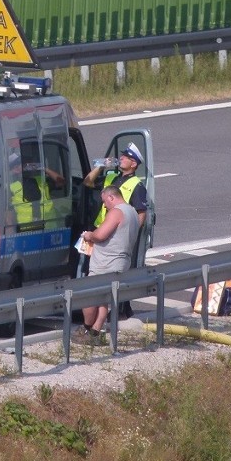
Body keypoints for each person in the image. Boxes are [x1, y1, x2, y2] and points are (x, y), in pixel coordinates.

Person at [83, 141, 148, 317]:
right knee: (94, 272)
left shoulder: (136, 185)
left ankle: (118, 311)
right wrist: (100, 166)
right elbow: (88, 182)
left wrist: (130, 234)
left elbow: (141, 214)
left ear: (134, 164)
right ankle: (100, 315)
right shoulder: (111, 177)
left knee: (109, 276)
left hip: (117, 236)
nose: (121, 158)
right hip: (100, 232)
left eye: (126, 157)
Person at [71, 185, 140, 346]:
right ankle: (95, 332)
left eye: (104, 202)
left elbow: (100, 235)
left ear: (111, 197)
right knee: (103, 299)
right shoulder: (133, 213)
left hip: (105, 264)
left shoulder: (117, 212)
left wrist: (89, 235)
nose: (104, 206)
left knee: (87, 297)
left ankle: (87, 328)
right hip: (121, 262)